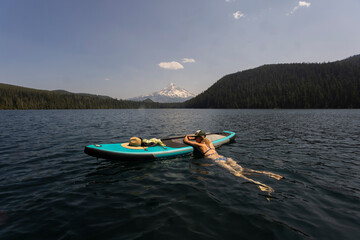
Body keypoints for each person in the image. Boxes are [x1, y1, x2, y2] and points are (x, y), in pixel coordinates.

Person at [184, 130, 283, 193]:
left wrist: (188, 136)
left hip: (217, 161)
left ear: (199, 138)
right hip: (224, 158)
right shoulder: (209, 143)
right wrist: (197, 137)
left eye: (196, 137)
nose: (195, 138)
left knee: (237, 174)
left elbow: (186, 141)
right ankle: (269, 174)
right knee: (242, 169)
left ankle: (260, 185)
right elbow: (203, 138)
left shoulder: (200, 145)